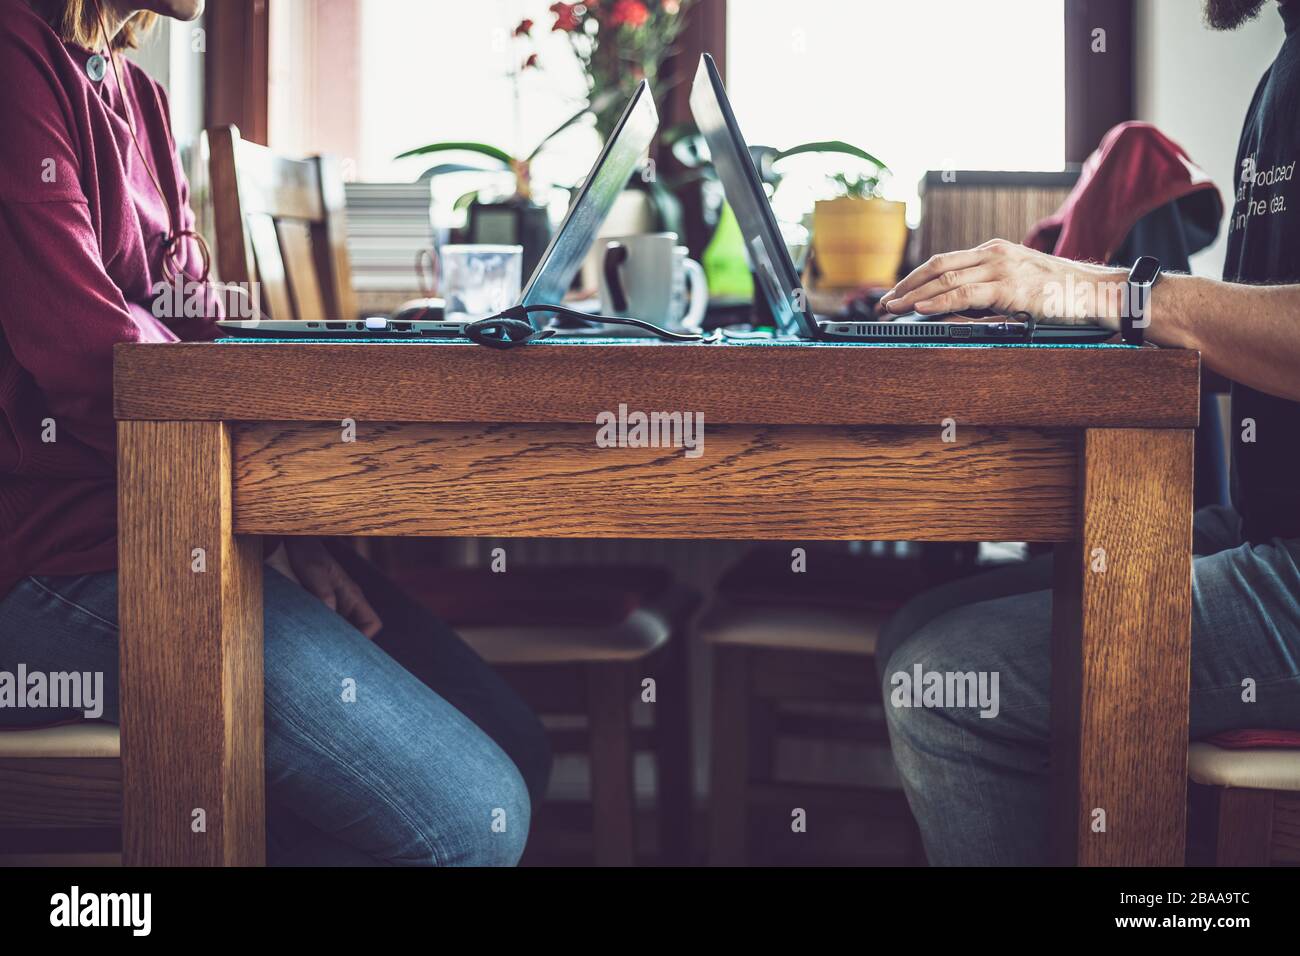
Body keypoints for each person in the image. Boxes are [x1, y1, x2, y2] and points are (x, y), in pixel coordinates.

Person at [0, 0, 550, 866]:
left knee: (518, 741)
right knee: (464, 821)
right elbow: (90, 354)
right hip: (49, 561)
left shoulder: (139, 96)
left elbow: (203, 335)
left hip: (177, 524)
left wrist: (299, 529)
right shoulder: (15, 59)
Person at [875, 0, 1300, 866]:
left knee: (942, 686)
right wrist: (1035, 325)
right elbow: (1252, 341)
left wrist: (1108, 290)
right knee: (920, 627)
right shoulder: (1284, 69)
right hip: (1270, 530)